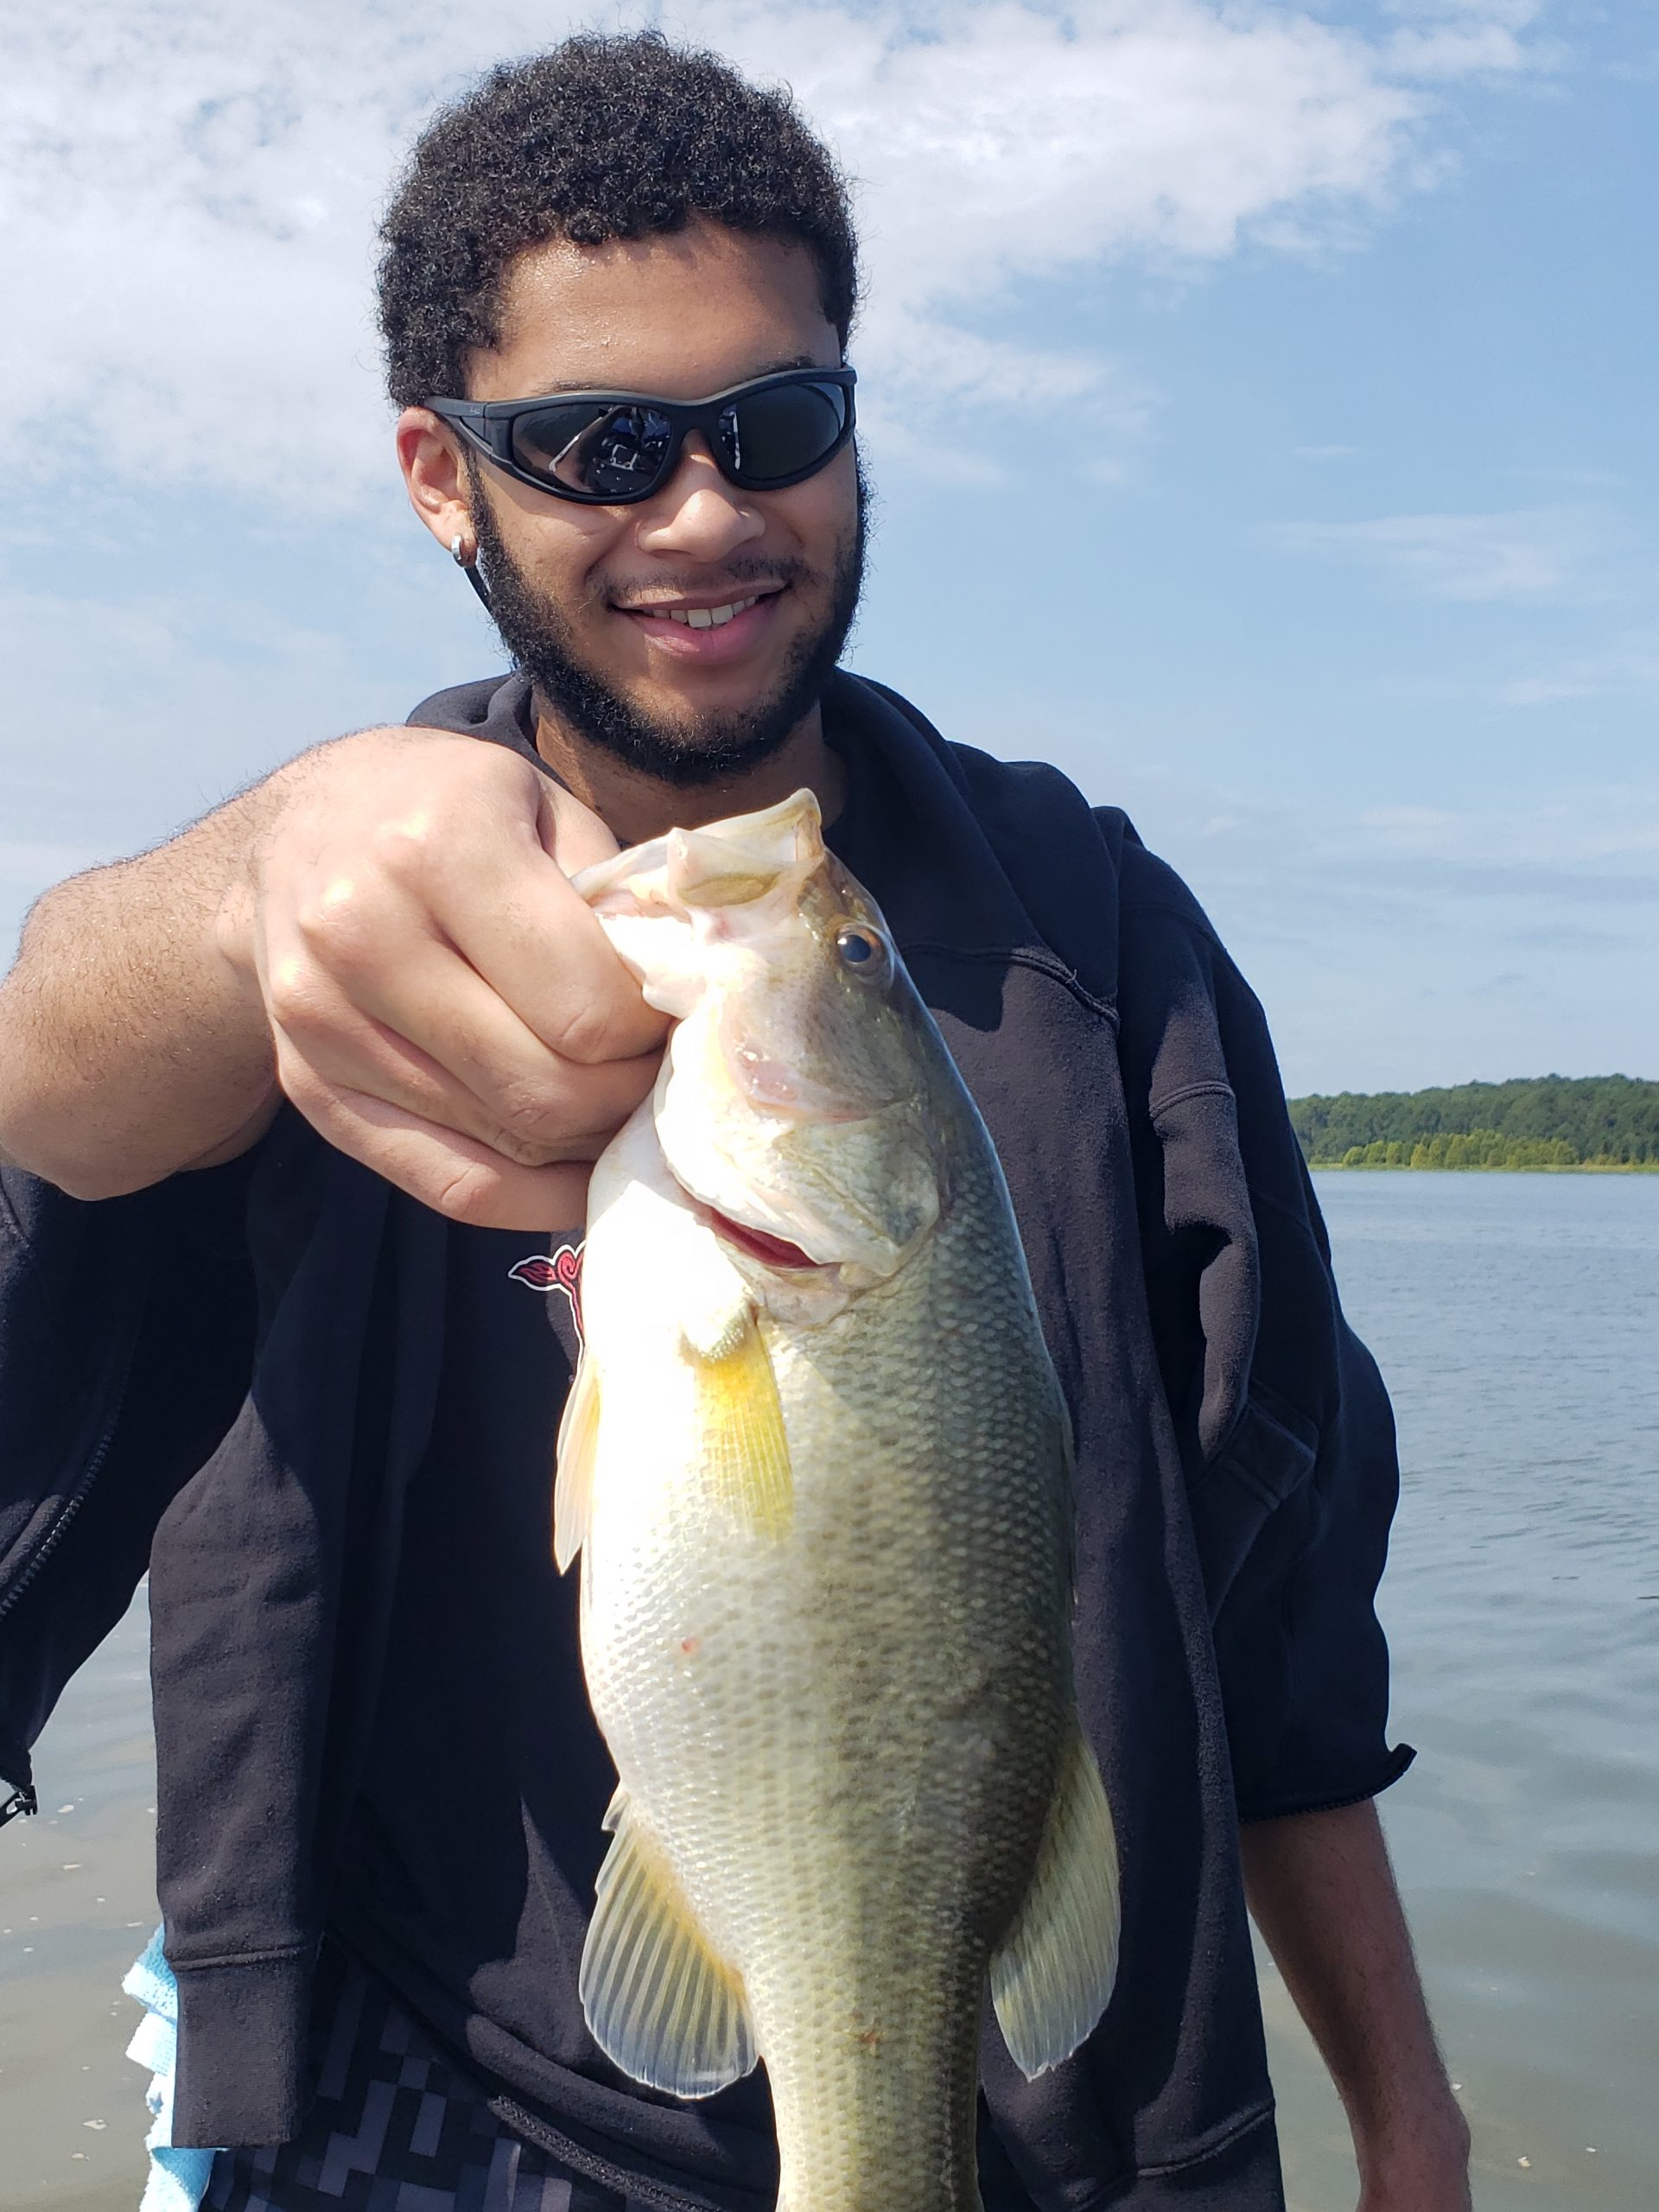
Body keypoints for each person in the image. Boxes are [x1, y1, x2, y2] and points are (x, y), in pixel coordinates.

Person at [0, 31, 1471, 2212]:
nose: (706, 510)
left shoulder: (1099, 940)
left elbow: (1286, 1608)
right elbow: (49, 1092)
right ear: (440, 473)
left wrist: (1415, 2130)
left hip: (1041, 2139)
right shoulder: (331, 920)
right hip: (431, 2114)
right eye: (599, 443)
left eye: (778, 425)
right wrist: (241, 891)